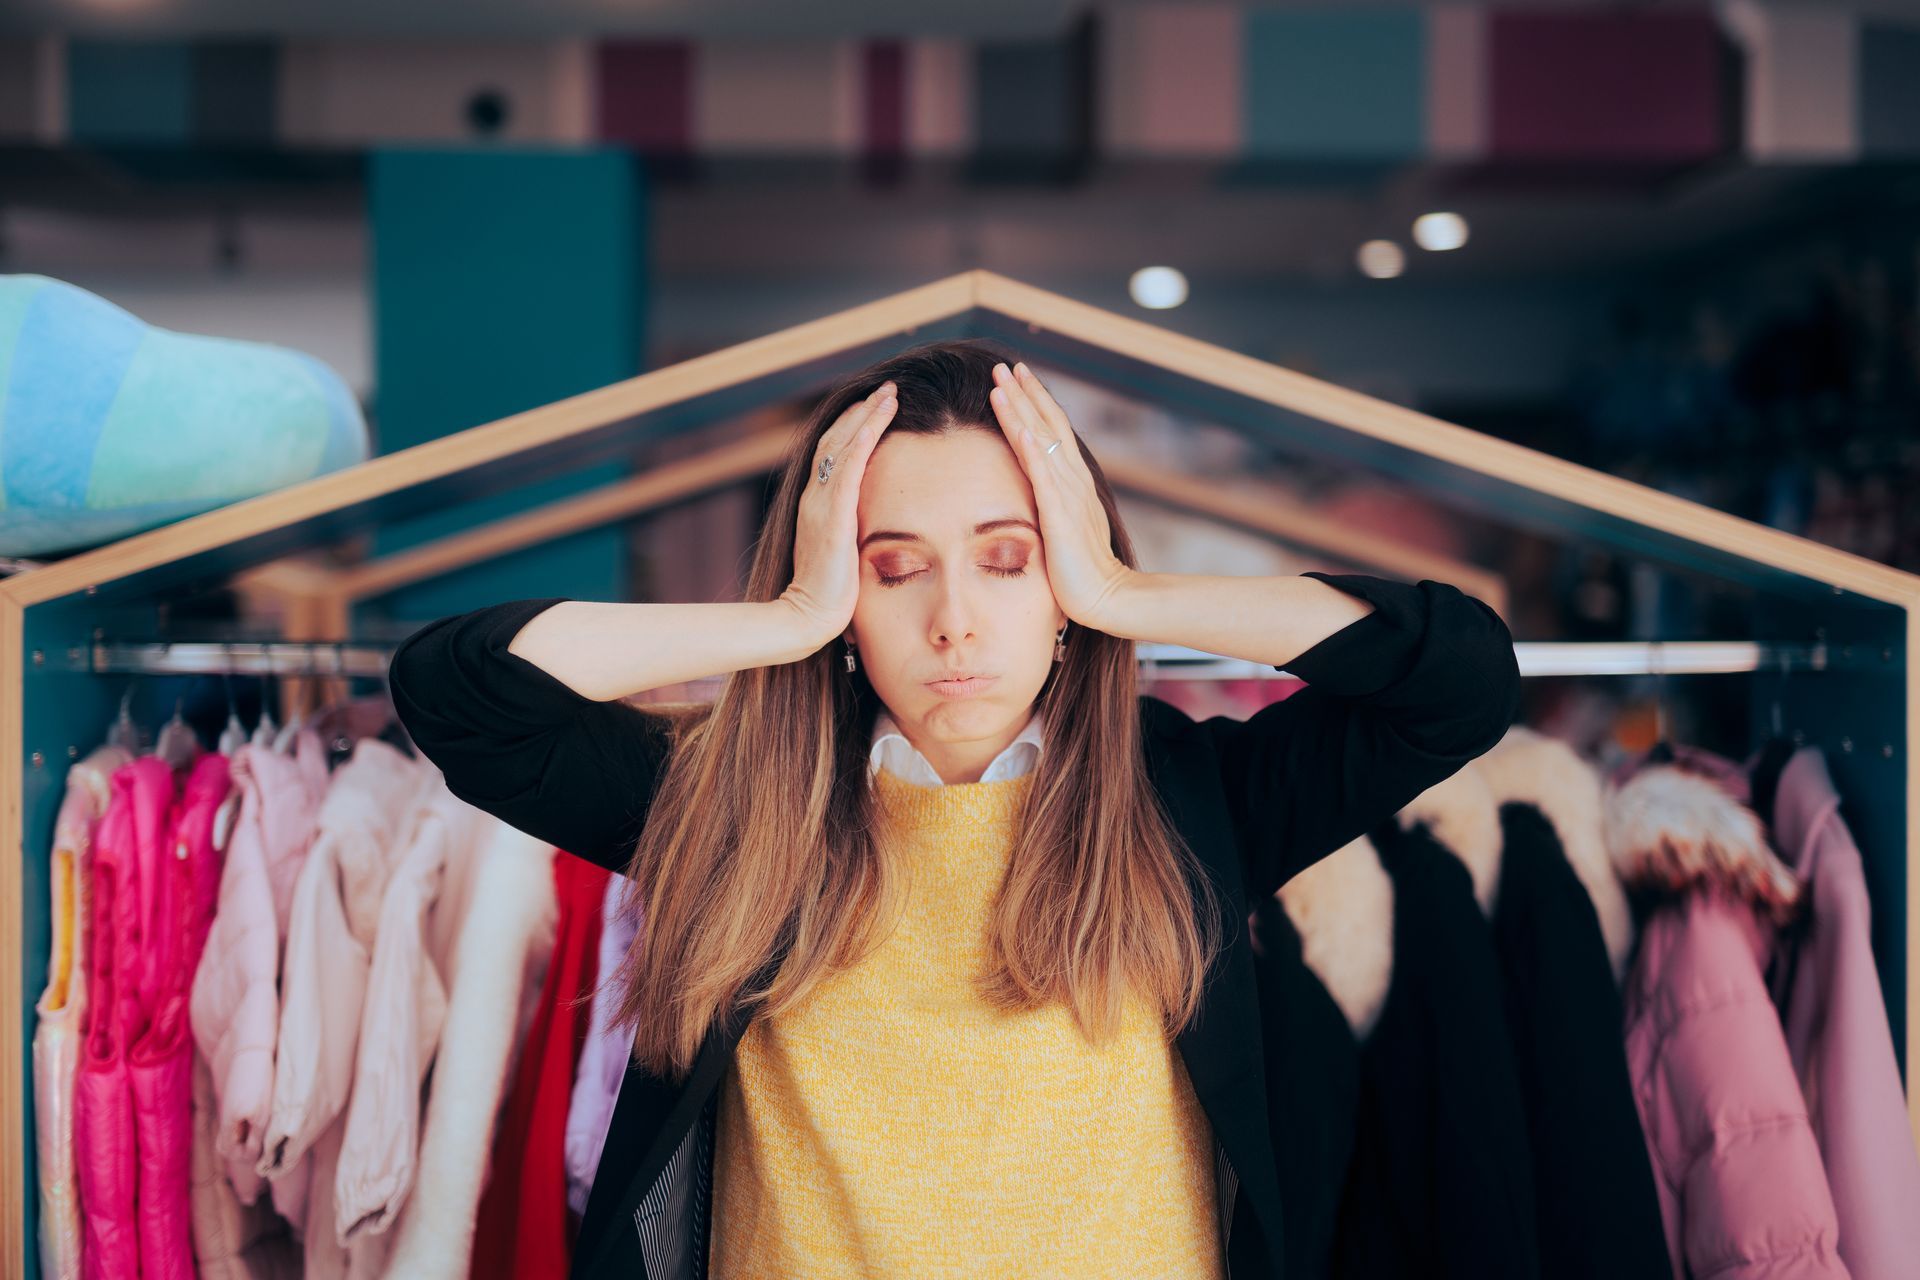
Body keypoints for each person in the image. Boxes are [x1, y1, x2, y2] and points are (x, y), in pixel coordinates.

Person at [386, 337, 1523, 1280]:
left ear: (1064, 582)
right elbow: (457, 690)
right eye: (893, 568)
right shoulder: (734, 808)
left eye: (1008, 558)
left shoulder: (1183, 799)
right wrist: (782, 619)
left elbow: (1457, 677)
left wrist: (1130, 593)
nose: (954, 620)